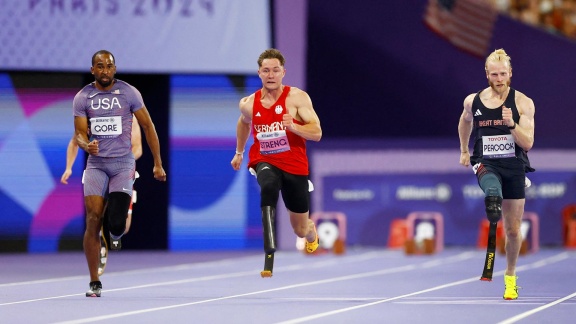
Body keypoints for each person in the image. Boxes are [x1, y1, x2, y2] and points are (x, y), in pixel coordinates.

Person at [74, 50, 166, 297]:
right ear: (93, 69)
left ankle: (113, 231)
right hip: (96, 165)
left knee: (116, 224)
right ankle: (94, 281)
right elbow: (80, 133)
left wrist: (157, 163)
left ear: (115, 69)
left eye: (109, 66)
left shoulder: (129, 93)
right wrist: (86, 145)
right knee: (92, 219)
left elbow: (148, 126)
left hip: (123, 164)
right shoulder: (83, 97)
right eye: (100, 66)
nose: (105, 71)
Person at [230, 48, 321, 276]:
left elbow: (317, 132)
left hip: (295, 166)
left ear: (283, 72)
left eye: (275, 70)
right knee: (268, 183)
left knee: (300, 229)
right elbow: (244, 123)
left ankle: (312, 233)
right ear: (259, 73)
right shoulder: (248, 103)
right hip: (265, 159)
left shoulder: (297, 98)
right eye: (266, 71)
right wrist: (239, 152)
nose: (271, 75)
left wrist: (294, 127)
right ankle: (269, 247)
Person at [458, 48, 535, 300]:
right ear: (487, 75)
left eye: (503, 74)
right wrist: (463, 149)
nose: (499, 78)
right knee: (492, 192)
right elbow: (465, 120)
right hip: (485, 162)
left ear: (510, 73)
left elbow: (528, 143)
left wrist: (511, 124)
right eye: (494, 74)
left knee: (512, 230)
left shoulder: (523, 103)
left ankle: (510, 277)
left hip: (514, 165)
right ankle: (493, 195)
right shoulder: (473, 100)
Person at [61, 115, 142, 276]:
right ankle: (98, 233)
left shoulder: (129, 116)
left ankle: (111, 225)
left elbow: (138, 147)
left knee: (123, 228)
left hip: (122, 170)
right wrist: (68, 167)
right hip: (97, 170)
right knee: (94, 215)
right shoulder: (91, 114)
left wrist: (122, 163)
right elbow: (75, 140)